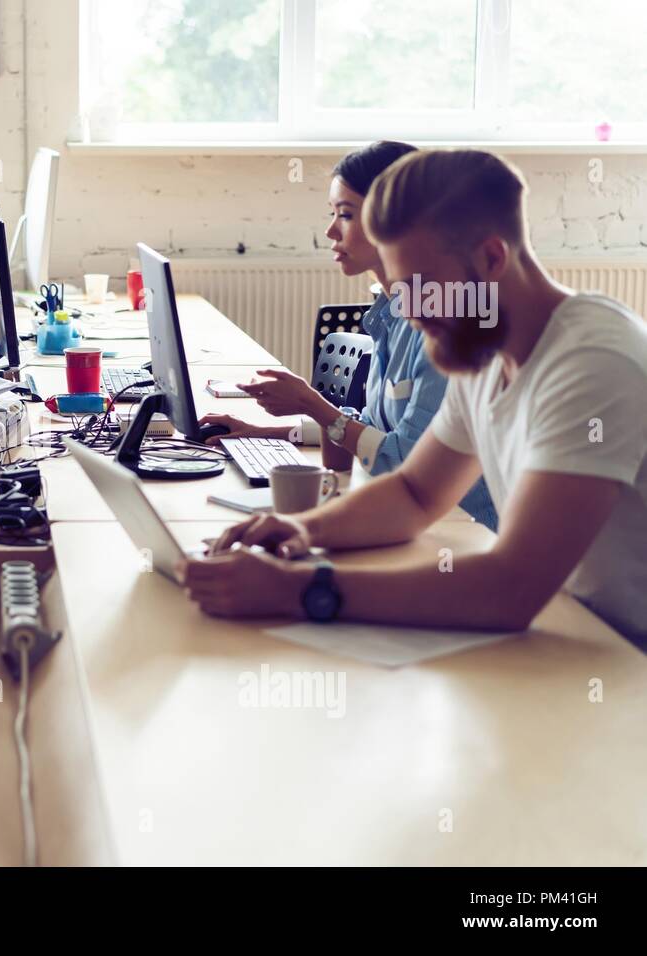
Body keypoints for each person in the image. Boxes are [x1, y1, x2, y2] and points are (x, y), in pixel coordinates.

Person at [181, 149, 647, 650]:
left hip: (624, 663)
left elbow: (510, 589)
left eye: (419, 288)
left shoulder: (592, 361)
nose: (411, 314)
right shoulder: (484, 348)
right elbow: (415, 494)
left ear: (492, 258)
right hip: (566, 638)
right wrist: (300, 527)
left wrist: (302, 589)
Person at [201, 141, 496, 529]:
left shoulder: (452, 321)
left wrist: (312, 403)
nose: (329, 231)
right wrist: (264, 432)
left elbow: (405, 463)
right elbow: (373, 431)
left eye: (345, 215)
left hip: (470, 535)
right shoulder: (392, 312)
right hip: (423, 522)